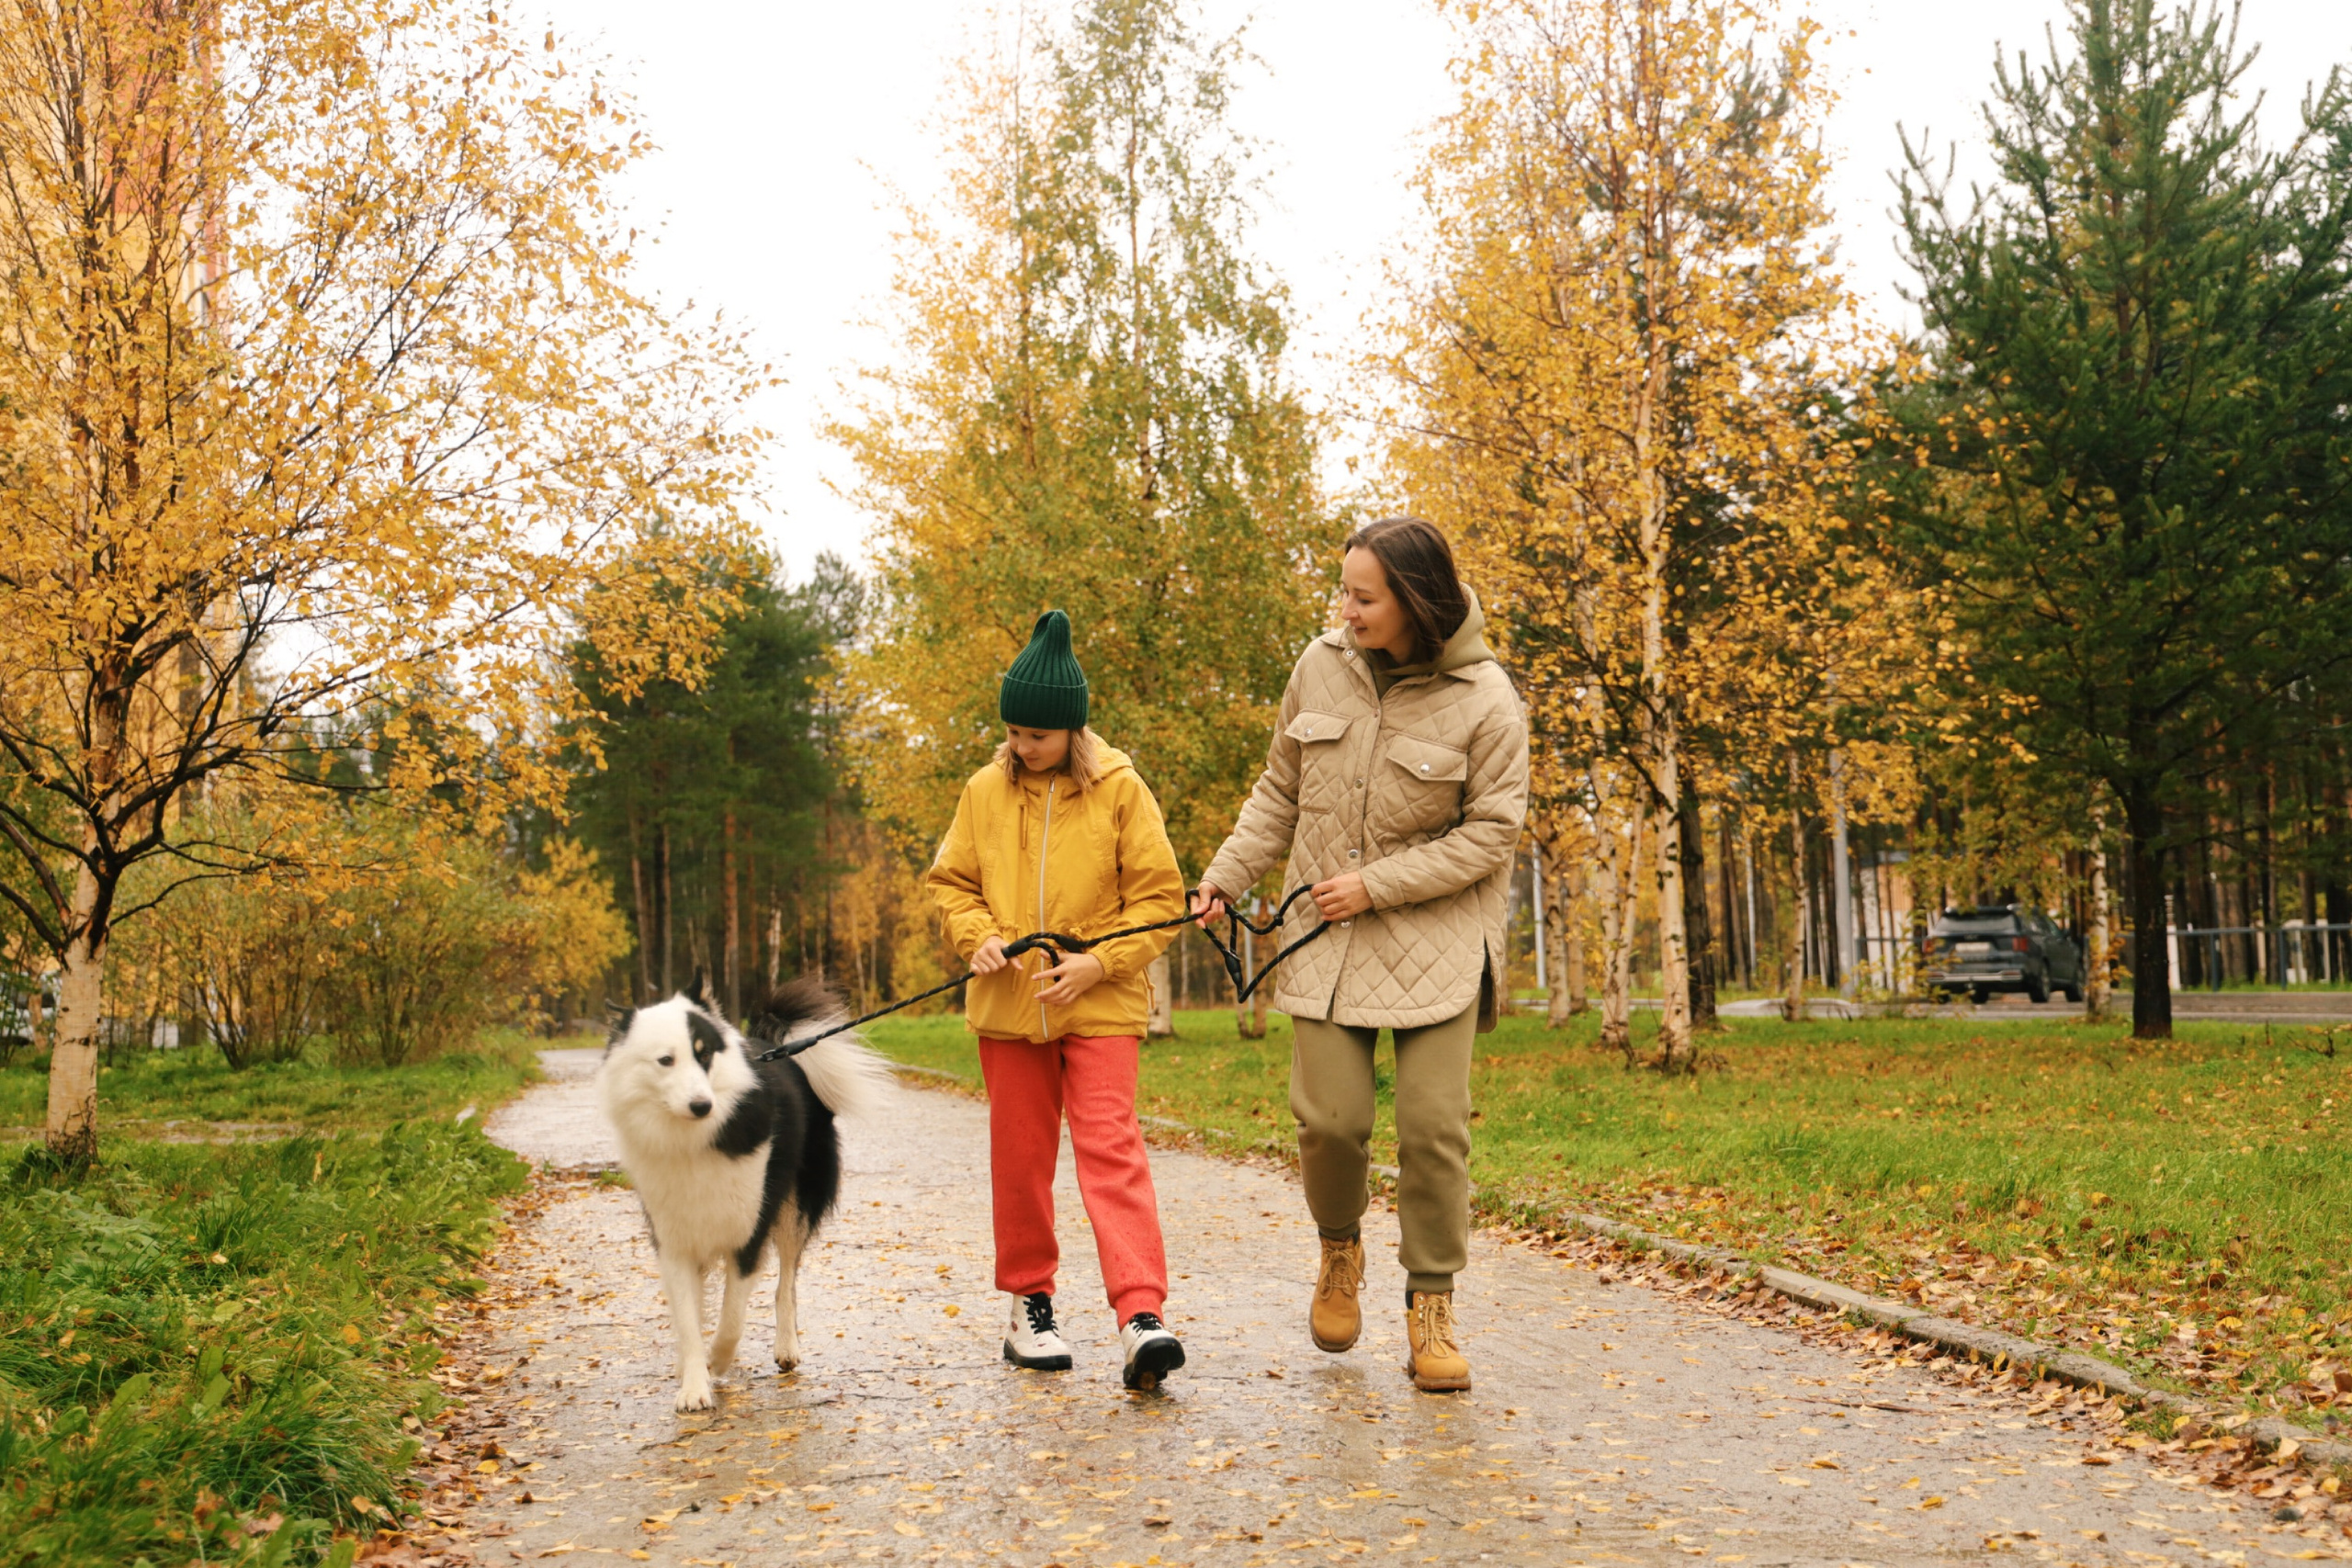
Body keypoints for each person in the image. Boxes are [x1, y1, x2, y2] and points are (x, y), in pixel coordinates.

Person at [1192, 517, 1529, 1392]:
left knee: (1433, 1130)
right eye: (1343, 591)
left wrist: (1379, 884)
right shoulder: (1319, 665)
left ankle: (1431, 1303)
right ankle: (1339, 1250)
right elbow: (1280, 787)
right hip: (1328, 938)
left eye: (1363, 596)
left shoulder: (1490, 699)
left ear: (1414, 600)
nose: (1346, 610)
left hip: (1436, 940)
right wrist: (1226, 875)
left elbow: (1492, 834)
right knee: (1332, 1121)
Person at [926, 608, 1190, 1391]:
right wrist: (974, 933)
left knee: (1111, 1151)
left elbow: (1159, 898)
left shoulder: (1121, 790)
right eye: (1011, 732)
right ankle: (1029, 1305)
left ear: (1070, 731)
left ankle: (1142, 1315)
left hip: (1099, 1004)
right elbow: (952, 882)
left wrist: (1098, 963)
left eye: (1034, 735)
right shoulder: (982, 790)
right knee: (1021, 1160)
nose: (1019, 746)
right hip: (1009, 1009)